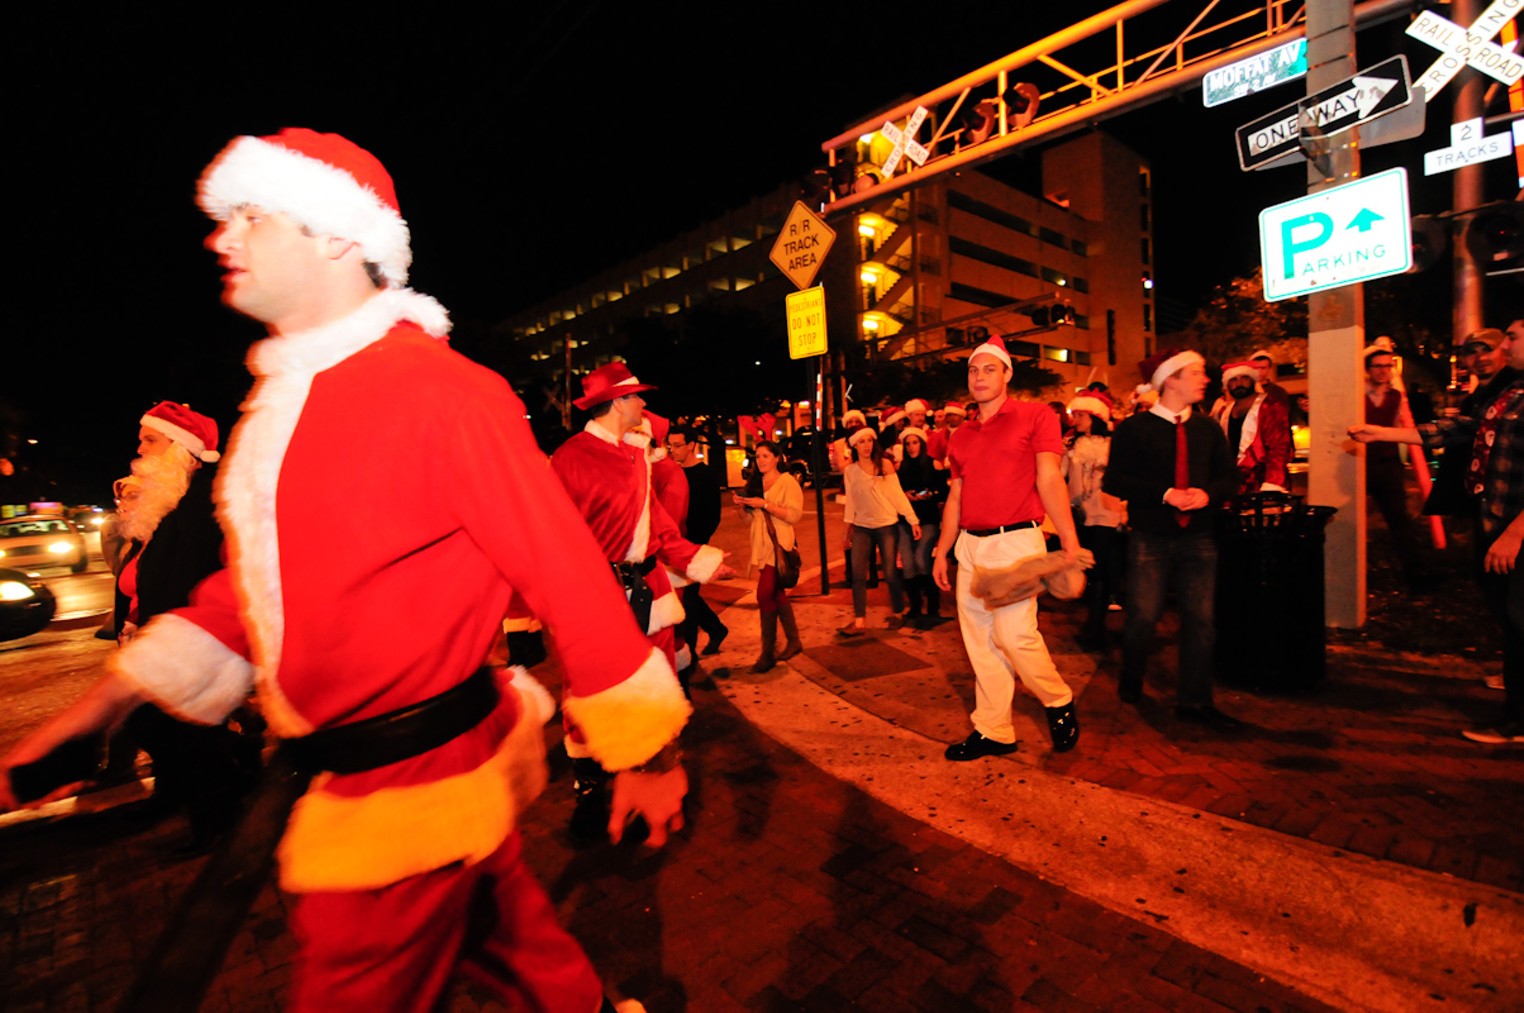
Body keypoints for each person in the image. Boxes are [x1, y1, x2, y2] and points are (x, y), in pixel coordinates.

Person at [1, 128, 690, 1010]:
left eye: (252, 215)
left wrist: (644, 746)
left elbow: (564, 566)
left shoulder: (441, 390)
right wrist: (108, 704)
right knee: (518, 948)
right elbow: (259, 594)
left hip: (404, 796)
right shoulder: (277, 410)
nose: (224, 237)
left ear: (334, 234)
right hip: (376, 783)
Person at [551, 361, 731, 843]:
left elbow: (659, 527)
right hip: (596, 594)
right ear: (616, 403)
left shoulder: (638, 458)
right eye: (637, 398)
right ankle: (591, 790)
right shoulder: (570, 458)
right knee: (588, 694)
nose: (644, 406)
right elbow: (553, 536)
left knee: (655, 685)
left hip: (649, 589)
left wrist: (698, 560)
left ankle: (650, 773)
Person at [1351, 324, 1522, 744]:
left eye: (1512, 338)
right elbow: (1461, 429)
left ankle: (1517, 722)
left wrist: (1516, 533)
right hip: (1493, 517)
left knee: (1519, 619)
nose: (1502, 347)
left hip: (1513, 528)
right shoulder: (1511, 391)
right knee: (1510, 616)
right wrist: (1384, 433)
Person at [933, 335, 1090, 758]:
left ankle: (1057, 699)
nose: (980, 377)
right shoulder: (960, 435)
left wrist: (1070, 544)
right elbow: (956, 496)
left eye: (989, 369)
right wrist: (943, 549)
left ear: (1007, 374)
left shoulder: (1035, 416)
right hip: (970, 545)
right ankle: (994, 730)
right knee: (979, 643)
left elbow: (1050, 479)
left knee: (1014, 635)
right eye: (973, 370)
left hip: (1017, 542)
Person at [112, 401, 259, 854]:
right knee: (150, 724)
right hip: (156, 634)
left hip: (190, 638)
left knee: (193, 738)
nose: (139, 451)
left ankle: (218, 820)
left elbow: (203, 577)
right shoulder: (164, 501)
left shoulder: (203, 506)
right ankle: (178, 794)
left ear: (184, 452)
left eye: (150, 441)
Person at [1103, 349, 1242, 730]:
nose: (1205, 379)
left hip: (1199, 536)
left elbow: (1230, 477)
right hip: (1150, 536)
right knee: (1144, 616)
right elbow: (1114, 480)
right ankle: (1132, 677)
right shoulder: (1134, 429)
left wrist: (1209, 494)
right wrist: (1164, 494)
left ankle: (1195, 700)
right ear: (1171, 380)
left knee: (1201, 620)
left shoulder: (1208, 429)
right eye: (1196, 372)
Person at [1426, 328, 1518, 518]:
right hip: (1478, 500)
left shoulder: (1514, 395)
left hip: (1505, 502)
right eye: (1472, 352)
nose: (1480, 358)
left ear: (1505, 351)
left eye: (1487, 350)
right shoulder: (1472, 400)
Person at [840, 426, 919, 636]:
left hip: (886, 525)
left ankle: (898, 612)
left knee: (890, 571)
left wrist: (913, 520)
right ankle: (859, 621)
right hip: (862, 527)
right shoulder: (850, 471)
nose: (866, 445)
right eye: (861, 441)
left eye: (869, 440)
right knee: (857, 573)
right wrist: (847, 529)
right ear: (854, 445)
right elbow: (851, 502)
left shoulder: (884, 465)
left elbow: (897, 495)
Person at [734, 440, 804, 672]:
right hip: (762, 546)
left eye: (765, 456)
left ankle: (767, 653)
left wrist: (765, 504)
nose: (761, 460)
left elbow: (794, 516)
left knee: (764, 595)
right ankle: (793, 641)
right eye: (758, 457)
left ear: (777, 458)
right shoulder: (756, 482)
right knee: (777, 593)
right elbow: (750, 521)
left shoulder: (787, 482)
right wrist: (742, 507)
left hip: (779, 544)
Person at [1064, 392, 1126, 649]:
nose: (1076, 419)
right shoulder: (1071, 446)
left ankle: (1095, 628)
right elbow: (1059, 477)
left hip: (1106, 515)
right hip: (1080, 516)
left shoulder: (1114, 446)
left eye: (1081, 415)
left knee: (1100, 570)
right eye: (1075, 415)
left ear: (1096, 416)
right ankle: (1093, 625)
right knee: (1089, 569)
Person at [1363, 345, 1429, 585]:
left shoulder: (1396, 396)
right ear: (1368, 369)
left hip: (1387, 464)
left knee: (1399, 518)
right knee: (1352, 519)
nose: (1383, 370)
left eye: (1387, 365)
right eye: (1378, 366)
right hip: (1360, 464)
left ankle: (1416, 573)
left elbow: (1398, 427)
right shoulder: (1356, 394)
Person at [669, 424, 729, 657]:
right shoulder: (674, 473)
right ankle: (714, 631)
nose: (672, 450)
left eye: (677, 445)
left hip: (696, 545)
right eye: (670, 445)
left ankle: (692, 649)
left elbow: (713, 515)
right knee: (684, 597)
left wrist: (698, 545)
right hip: (676, 544)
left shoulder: (706, 475)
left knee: (689, 599)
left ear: (691, 445)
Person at [1209, 360, 1291, 496]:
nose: (1239, 383)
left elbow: (1279, 449)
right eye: (1233, 379)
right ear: (1227, 385)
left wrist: (1273, 484)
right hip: (1235, 487)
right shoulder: (1224, 412)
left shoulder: (1271, 407)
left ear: (1253, 380)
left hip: (1264, 484)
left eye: (1244, 378)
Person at [895, 426, 947, 627]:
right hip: (906, 520)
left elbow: (942, 492)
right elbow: (895, 493)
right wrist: (905, 496)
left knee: (921, 560)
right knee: (908, 563)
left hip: (928, 519)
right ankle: (915, 606)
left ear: (922, 443)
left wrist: (924, 495)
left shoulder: (934, 464)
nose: (911, 447)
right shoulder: (900, 467)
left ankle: (933, 606)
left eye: (914, 442)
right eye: (907, 443)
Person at [927, 402, 965, 469]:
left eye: (955, 415)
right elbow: (935, 458)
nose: (952, 418)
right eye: (949, 415)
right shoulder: (940, 436)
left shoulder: (970, 432)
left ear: (962, 417)